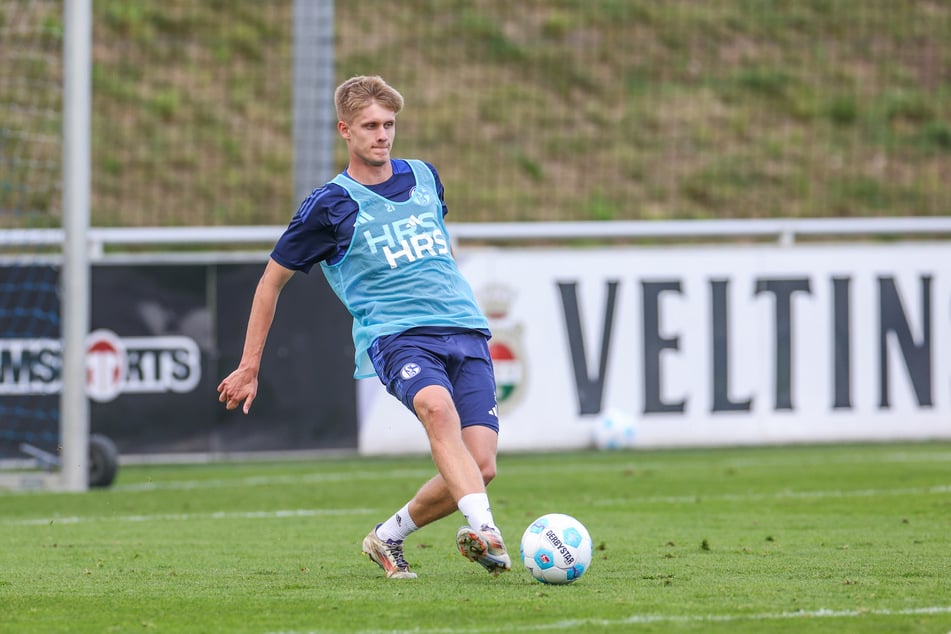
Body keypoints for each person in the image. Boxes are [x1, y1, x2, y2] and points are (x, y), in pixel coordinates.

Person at [216, 75, 510, 580]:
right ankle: (487, 532)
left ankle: (388, 537)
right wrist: (249, 365)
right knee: (436, 410)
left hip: (465, 329)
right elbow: (270, 283)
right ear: (345, 131)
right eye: (370, 126)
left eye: (389, 124)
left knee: (480, 468)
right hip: (397, 337)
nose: (383, 135)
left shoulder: (425, 176)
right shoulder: (329, 205)